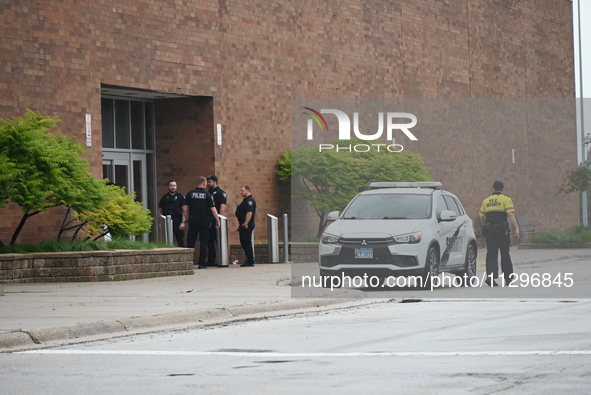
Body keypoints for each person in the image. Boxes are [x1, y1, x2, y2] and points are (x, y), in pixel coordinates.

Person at [479, 180, 520, 286]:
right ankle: (508, 278)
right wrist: (516, 228)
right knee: (505, 253)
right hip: (502, 231)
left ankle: (491, 278)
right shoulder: (506, 199)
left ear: (493, 189)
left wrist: (485, 225)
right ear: (502, 189)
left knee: (491, 254)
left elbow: (481, 216)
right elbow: (510, 214)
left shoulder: (486, 201)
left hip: (490, 231)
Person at [181, 177, 220, 269]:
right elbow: (213, 210)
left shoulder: (190, 194)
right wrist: (217, 220)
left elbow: (185, 208)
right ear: (204, 184)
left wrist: (185, 219)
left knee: (190, 242)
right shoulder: (208, 194)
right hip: (204, 221)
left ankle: (188, 262)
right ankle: (202, 263)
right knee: (203, 242)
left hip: (193, 220)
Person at [206, 175, 227, 267]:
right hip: (208, 219)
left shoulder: (220, 193)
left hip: (216, 219)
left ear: (215, 182)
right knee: (209, 241)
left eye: (210, 181)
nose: (208, 183)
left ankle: (221, 259)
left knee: (218, 240)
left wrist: (219, 218)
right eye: (208, 182)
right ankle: (211, 260)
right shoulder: (207, 193)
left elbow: (222, 206)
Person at [157, 180, 185, 247]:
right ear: (168, 187)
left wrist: (183, 222)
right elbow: (159, 210)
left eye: (174, 186)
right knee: (166, 241)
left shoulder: (180, 197)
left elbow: (184, 210)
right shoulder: (164, 198)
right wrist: (159, 223)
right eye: (171, 186)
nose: (173, 187)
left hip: (178, 221)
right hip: (166, 221)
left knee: (180, 241)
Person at [235, 185, 256, 267]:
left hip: (246, 225)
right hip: (243, 224)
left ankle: (250, 260)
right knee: (244, 242)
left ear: (248, 190)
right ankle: (249, 260)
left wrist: (245, 223)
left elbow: (249, 213)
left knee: (246, 242)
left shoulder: (249, 200)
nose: (241, 192)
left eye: (242, 190)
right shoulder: (245, 200)